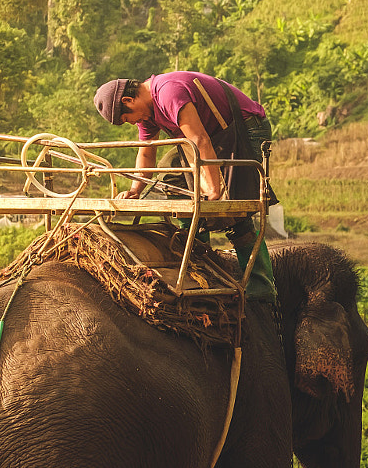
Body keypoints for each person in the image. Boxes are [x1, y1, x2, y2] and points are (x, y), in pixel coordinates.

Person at [93, 73, 276, 302]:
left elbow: (199, 140)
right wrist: (136, 189)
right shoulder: (148, 114)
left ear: (128, 101)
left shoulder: (169, 93)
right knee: (171, 171)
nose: (131, 123)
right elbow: (147, 150)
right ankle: (203, 264)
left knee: (233, 211)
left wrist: (214, 190)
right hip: (210, 137)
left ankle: (261, 287)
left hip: (242, 128)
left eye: (126, 119)